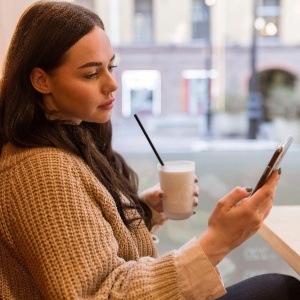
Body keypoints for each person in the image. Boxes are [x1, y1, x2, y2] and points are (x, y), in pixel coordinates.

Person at [0, 1, 299, 299]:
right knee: (281, 291)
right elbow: (100, 293)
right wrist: (218, 240)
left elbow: (80, 247)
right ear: (41, 80)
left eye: (111, 67)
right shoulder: (41, 171)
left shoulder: (72, 139)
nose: (112, 84)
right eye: (91, 74)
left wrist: (139, 210)